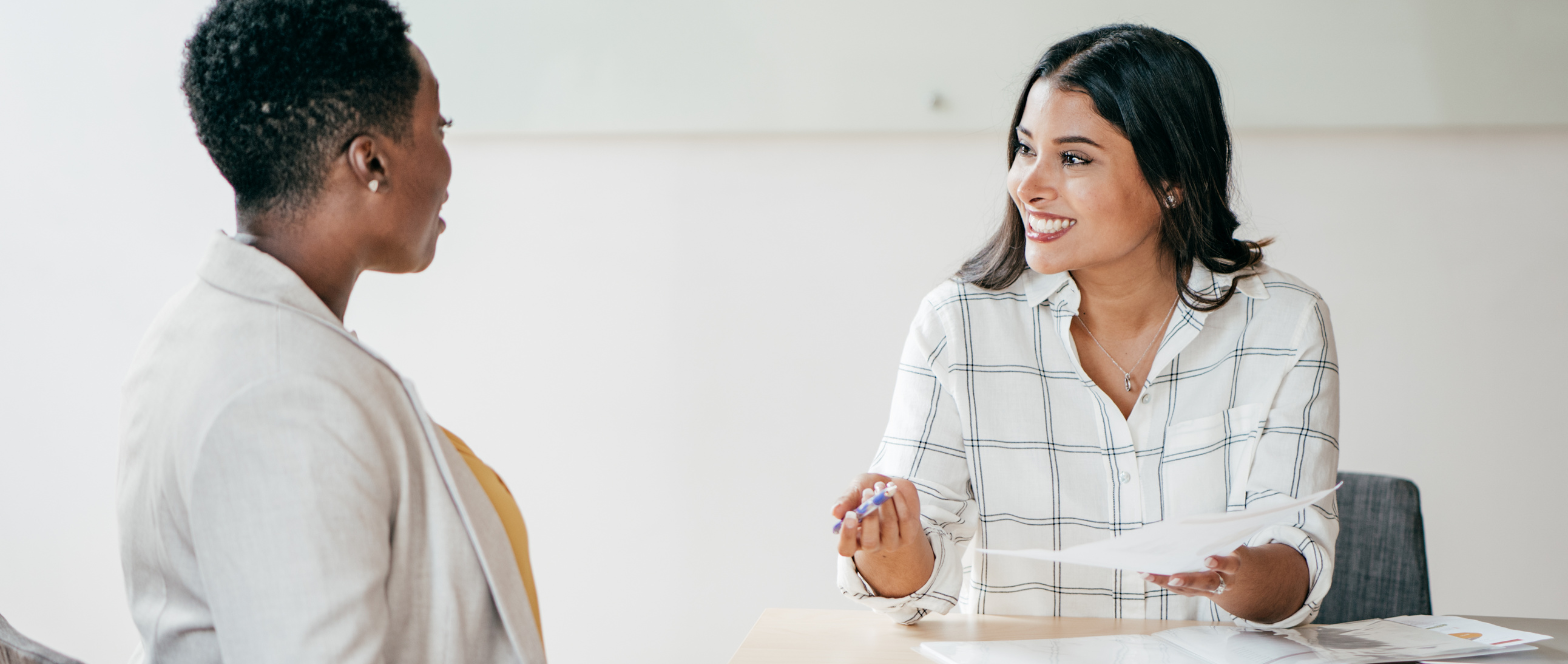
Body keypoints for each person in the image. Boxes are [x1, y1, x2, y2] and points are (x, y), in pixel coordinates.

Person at [831, 24, 1339, 628]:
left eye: (1073, 158)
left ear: (1172, 181)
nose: (1029, 184)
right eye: (1025, 149)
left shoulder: (1284, 323)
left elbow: (1299, 563)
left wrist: (1229, 574)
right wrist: (891, 543)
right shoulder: (957, 323)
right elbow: (917, 594)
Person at [116, 1, 545, 661]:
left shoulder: (215, 333)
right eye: (440, 126)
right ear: (370, 161)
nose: (448, 167)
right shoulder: (281, 394)